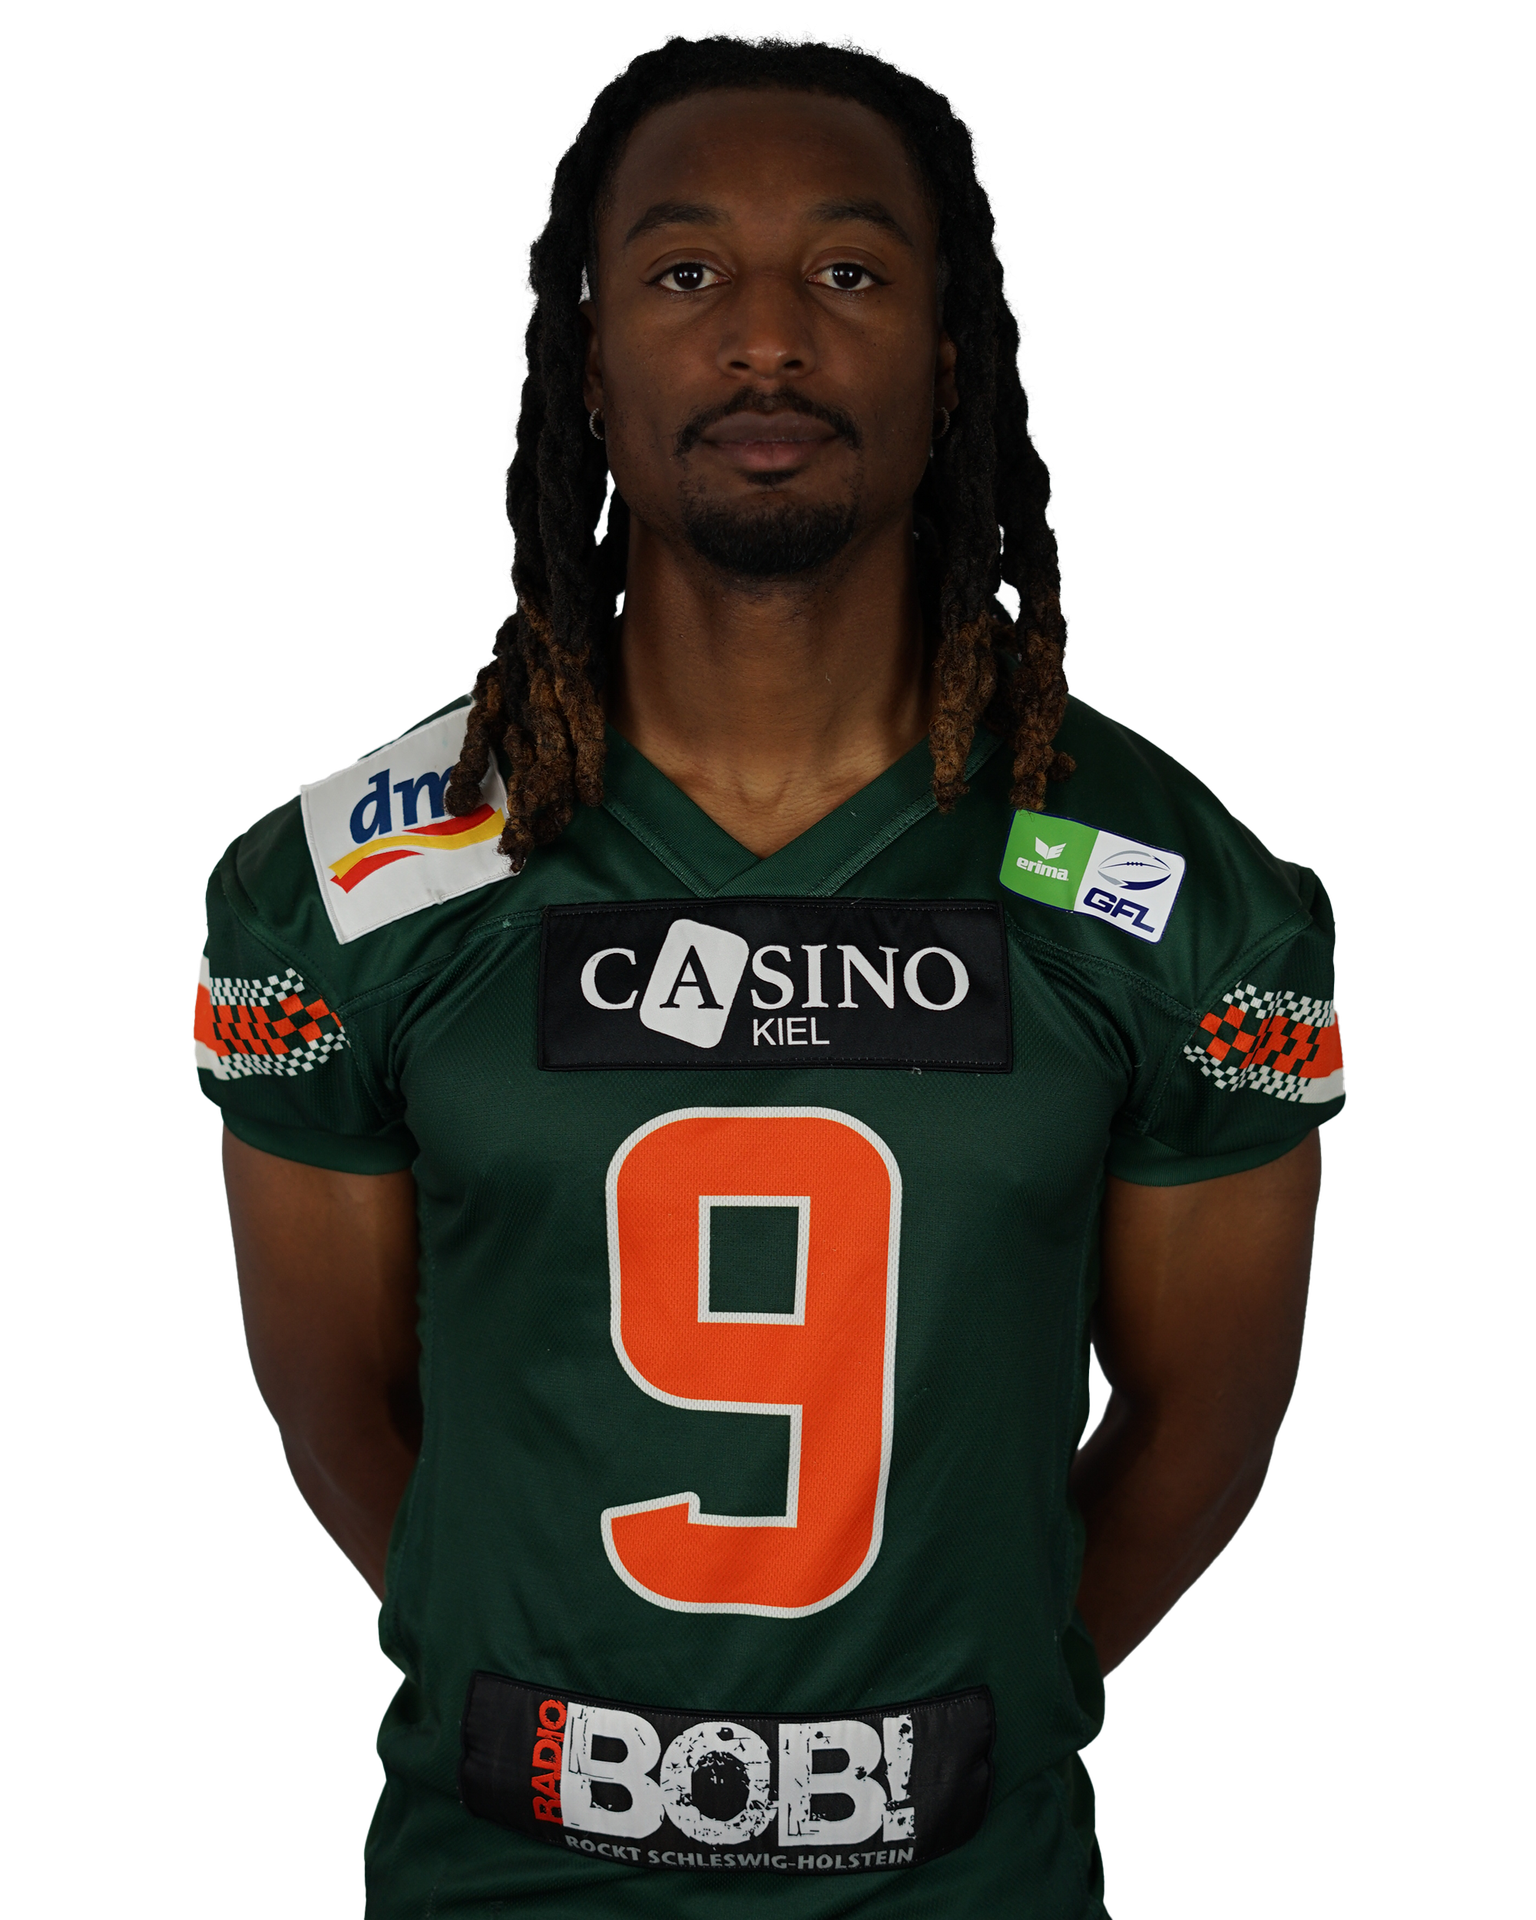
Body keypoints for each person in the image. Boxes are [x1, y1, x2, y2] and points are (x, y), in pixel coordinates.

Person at [194, 29, 1344, 1917]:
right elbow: (343, 1408)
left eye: (850, 270)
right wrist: (562, 1697)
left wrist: (980, 1695)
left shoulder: (1171, 898)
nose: (766, 340)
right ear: (586, 360)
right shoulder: (351, 891)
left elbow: (1203, 1429)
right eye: (684, 271)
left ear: (950, 356)